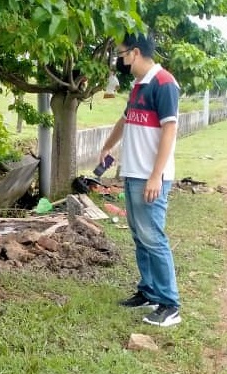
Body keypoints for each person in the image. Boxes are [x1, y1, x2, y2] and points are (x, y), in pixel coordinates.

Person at [99, 32, 181, 327]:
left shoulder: (164, 83)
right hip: (133, 173)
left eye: (121, 54)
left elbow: (170, 131)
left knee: (153, 237)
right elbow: (125, 119)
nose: (120, 60)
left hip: (150, 176)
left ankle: (169, 304)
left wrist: (156, 175)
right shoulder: (138, 85)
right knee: (139, 236)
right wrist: (108, 146)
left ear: (135, 53)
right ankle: (148, 291)